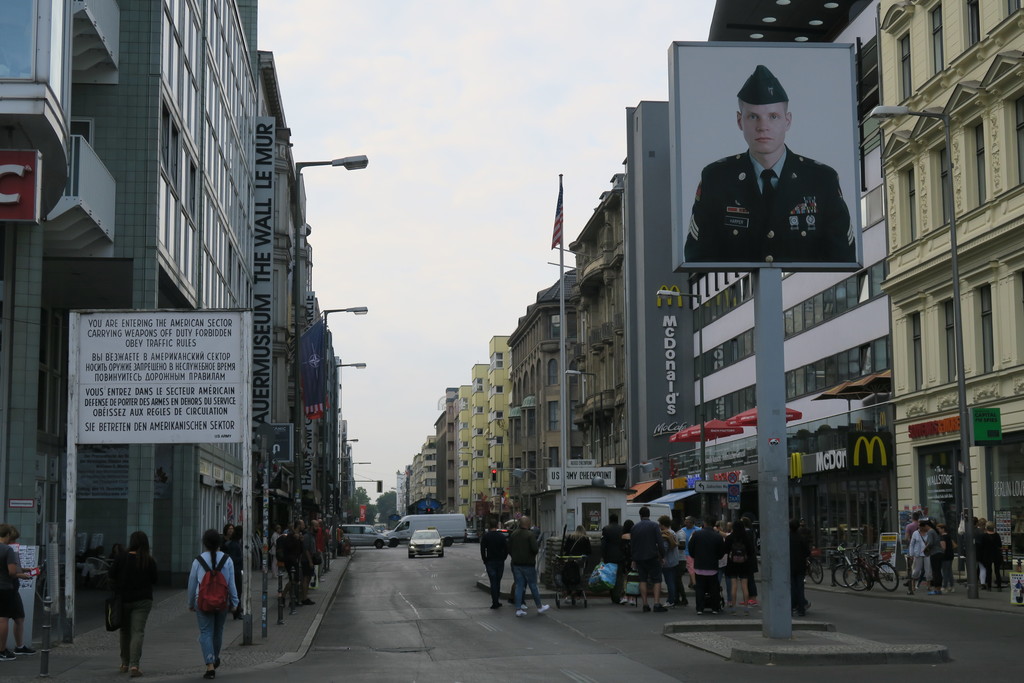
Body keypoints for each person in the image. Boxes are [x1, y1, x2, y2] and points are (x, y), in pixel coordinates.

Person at [684, 64, 853, 265]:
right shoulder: (717, 178)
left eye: (773, 116)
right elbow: (698, 257)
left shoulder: (821, 179)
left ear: (787, 121)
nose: (763, 127)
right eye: (753, 116)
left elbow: (843, 257)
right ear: (740, 121)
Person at [188, 529, 239, 680]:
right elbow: (231, 584)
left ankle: (209, 665)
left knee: (205, 632)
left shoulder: (198, 561)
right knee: (218, 631)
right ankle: (215, 657)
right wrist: (235, 602)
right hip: (222, 602)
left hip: (202, 602)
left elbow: (191, 584)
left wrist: (191, 602)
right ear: (219, 543)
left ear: (204, 543)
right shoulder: (227, 560)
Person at [109, 530, 158, 677]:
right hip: (143, 600)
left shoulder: (121, 558)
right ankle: (135, 665)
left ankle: (124, 663)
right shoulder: (148, 560)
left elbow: (111, 576)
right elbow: (154, 580)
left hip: (123, 600)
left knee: (124, 631)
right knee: (138, 632)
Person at [0, 524, 37, 660]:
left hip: (8, 587)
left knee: (18, 617)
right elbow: (11, 572)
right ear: (8, 535)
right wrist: (22, 575)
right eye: (13, 539)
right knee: (3, 619)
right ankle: (2, 651)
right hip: (6, 587)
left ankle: (18, 647)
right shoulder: (8, 550)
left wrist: (23, 570)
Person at [506, 516, 549, 617]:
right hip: (528, 564)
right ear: (527, 524)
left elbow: (509, 548)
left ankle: (518, 608)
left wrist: (515, 556)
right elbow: (534, 549)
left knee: (519, 586)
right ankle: (539, 607)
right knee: (533, 585)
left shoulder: (514, 534)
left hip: (516, 564)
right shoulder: (530, 535)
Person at [630, 506, 666, 613]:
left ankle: (645, 604)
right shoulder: (654, 526)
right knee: (657, 579)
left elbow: (632, 544)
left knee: (642, 580)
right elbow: (660, 543)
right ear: (649, 514)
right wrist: (662, 556)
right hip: (652, 556)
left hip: (639, 557)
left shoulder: (634, 527)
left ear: (640, 515)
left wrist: (634, 558)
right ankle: (656, 603)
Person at [687, 518, 726, 615]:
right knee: (714, 588)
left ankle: (700, 608)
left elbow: (690, 548)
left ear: (704, 523)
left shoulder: (696, 534)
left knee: (700, 588)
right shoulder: (717, 536)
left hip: (699, 565)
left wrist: (695, 556)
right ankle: (715, 608)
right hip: (712, 566)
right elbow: (722, 552)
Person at [724, 518, 757, 614]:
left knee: (734, 585)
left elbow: (725, 550)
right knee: (744, 586)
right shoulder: (746, 537)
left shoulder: (729, 538)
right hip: (744, 563)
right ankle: (746, 608)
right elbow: (751, 552)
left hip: (732, 563)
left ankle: (733, 607)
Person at [480, 517, 508, 609]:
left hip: (490, 561)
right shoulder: (501, 536)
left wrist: (485, 560)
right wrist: (504, 558)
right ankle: (497, 600)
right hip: (500, 561)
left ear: (489, 526)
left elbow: (483, 549)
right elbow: (506, 549)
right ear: (497, 526)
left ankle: (494, 601)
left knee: (493, 582)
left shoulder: (486, 536)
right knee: (498, 581)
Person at [600, 513, 625, 604]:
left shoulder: (606, 529)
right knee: (619, 577)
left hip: (609, 556)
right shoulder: (622, 529)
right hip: (620, 556)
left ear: (610, 520)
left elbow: (603, 545)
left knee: (610, 576)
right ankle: (617, 595)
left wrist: (603, 556)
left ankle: (613, 595)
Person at [789, 518, 810, 616]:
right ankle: (801, 609)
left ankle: (792, 607)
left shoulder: (787, 538)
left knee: (792, 587)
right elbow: (807, 552)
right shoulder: (802, 538)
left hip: (790, 565)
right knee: (800, 587)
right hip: (801, 565)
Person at [221, 524, 243, 619]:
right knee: (237, 590)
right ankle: (236, 610)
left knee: (236, 590)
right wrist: (241, 559)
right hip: (235, 570)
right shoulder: (234, 545)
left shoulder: (233, 543)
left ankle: (236, 609)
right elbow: (233, 559)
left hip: (235, 570)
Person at [658, 516, 680, 607]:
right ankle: (673, 599)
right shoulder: (673, 533)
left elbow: (664, 549)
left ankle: (671, 600)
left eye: (660, 524)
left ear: (662, 524)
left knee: (669, 581)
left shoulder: (665, 535)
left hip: (667, 562)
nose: (659, 525)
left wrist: (660, 557)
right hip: (674, 560)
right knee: (673, 581)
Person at [977, 521, 1004, 591]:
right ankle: (999, 586)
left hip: (987, 554)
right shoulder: (997, 535)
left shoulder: (983, 536)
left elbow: (981, 546)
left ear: (986, 528)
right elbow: (1000, 546)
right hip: (996, 554)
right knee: (997, 571)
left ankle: (989, 586)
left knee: (989, 571)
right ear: (993, 528)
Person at [936, 522, 956, 594]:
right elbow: (954, 545)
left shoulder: (942, 537)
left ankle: (944, 586)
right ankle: (952, 586)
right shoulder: (948, 536)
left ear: (943, 529)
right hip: (950, 555)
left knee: (945, 572)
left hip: (944, 556)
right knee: (949, 571)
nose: (938, 530)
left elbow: (943, 548)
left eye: (938, 529)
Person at [619, 519, 635, 606]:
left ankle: (624, 596)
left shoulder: (622, 536)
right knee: (633, 579)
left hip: (624, 560)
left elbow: (621, 549)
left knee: (625, 579)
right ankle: (632, 598)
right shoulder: (635, 536)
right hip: (633, 559)